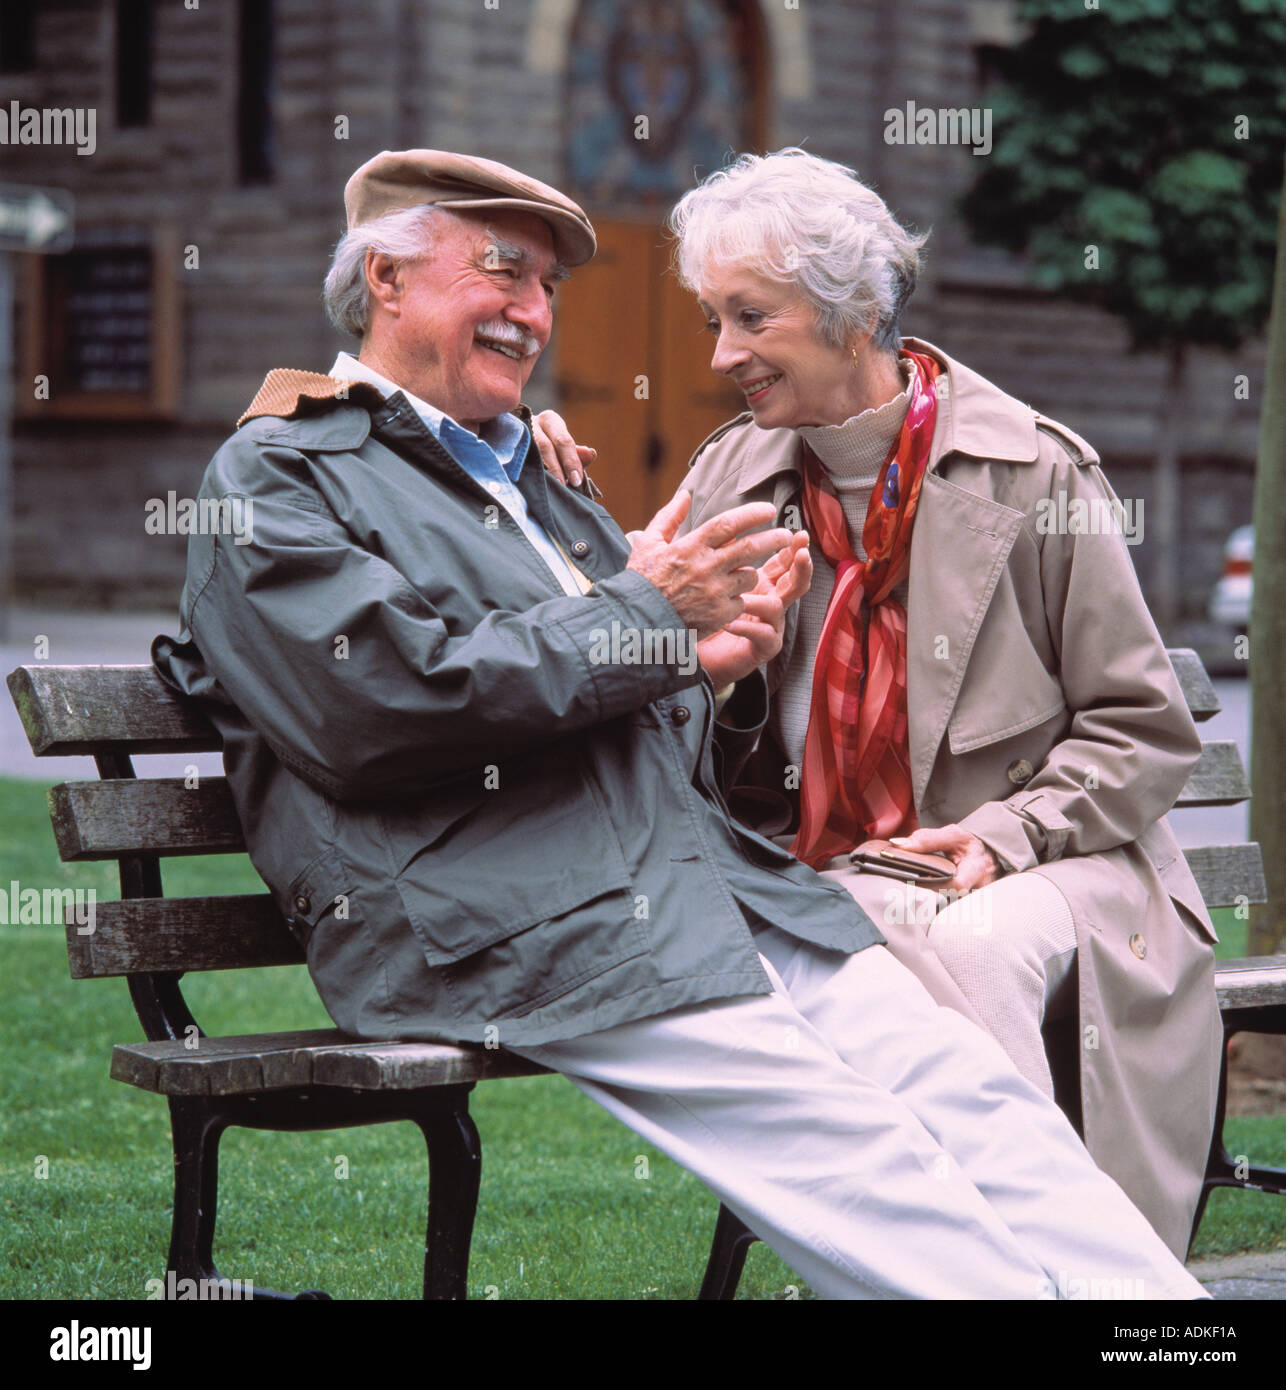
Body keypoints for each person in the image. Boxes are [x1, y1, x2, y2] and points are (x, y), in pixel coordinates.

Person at [151, 147, 1208, 1299]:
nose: (531, 311)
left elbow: (613, 696)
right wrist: (650, 617)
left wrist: (703, 669)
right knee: (862, 1156)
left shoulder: (532, 475)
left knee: (973, 1099)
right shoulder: (281, 473)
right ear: (386, 280)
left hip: (701, 887)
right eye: (501, 271)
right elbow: (375, 709)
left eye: (546, 286)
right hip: (509, 914)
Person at [533, 148, 1221, 1261]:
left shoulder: (1032, 471)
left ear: (851, 316)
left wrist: (998, 837)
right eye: (711, 319)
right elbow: (641, 703)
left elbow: (1139, 726)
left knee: (968, 940)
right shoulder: (727, 476)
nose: (719, 355)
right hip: (834, 868)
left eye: (750, 316)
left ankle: (1030, 1266)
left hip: (1058, 861)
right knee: (884, 929)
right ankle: (1027, 1276)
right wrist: (714, 661)